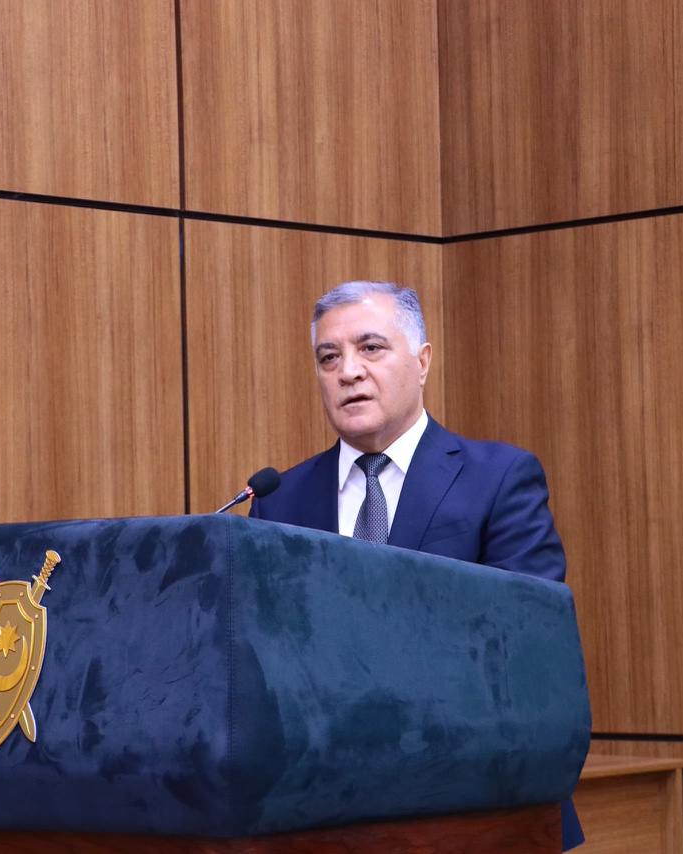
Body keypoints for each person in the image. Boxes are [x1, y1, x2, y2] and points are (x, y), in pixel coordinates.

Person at [249, 279, 583, 849]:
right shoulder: (280, 500)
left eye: (370, 348)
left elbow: (525, 644)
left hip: (477, 803)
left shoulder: (499, 479)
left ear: (422, 361)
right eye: (329, 357)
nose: (348, 371)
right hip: (324, 812)